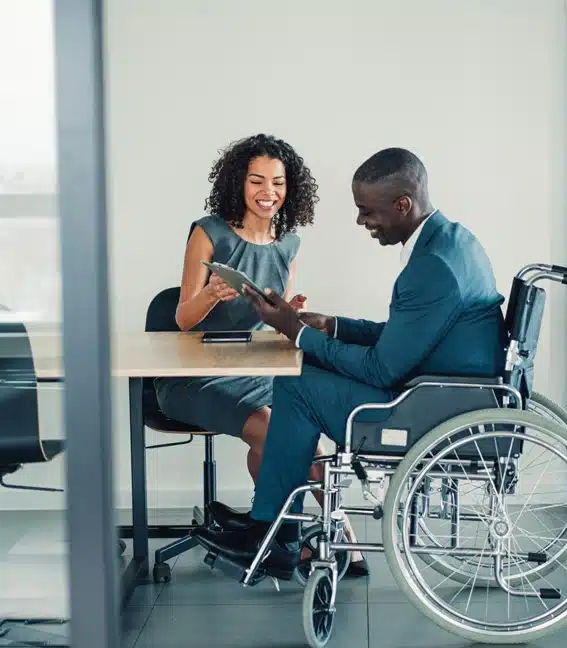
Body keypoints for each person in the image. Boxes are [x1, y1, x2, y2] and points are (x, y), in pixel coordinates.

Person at [192, 147, 508, 579]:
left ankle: (272, 534)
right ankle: (273, 531)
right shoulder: (453, 241)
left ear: (402, 205)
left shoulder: (431, 267)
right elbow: (412, 336)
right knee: (303, 376)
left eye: (367, 211)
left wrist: (296, 332)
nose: (362, 221)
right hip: (440, 388)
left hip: (427, 409)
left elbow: (383, 369)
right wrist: (334, 325)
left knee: (296, 386)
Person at [156, 133, 368, 572]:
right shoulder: (208, 232)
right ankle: (278, 538)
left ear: (290, 188)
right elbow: (182, 319)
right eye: (256, 181)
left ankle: (329, 535)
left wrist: (286, 314)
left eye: (277, 182)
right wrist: (212, 293)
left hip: (252, 368)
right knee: (275, 432)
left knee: (308, 438)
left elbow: (269, 322)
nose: (267, 192)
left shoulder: (288, 243)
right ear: (238, 183)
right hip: (192, 377)